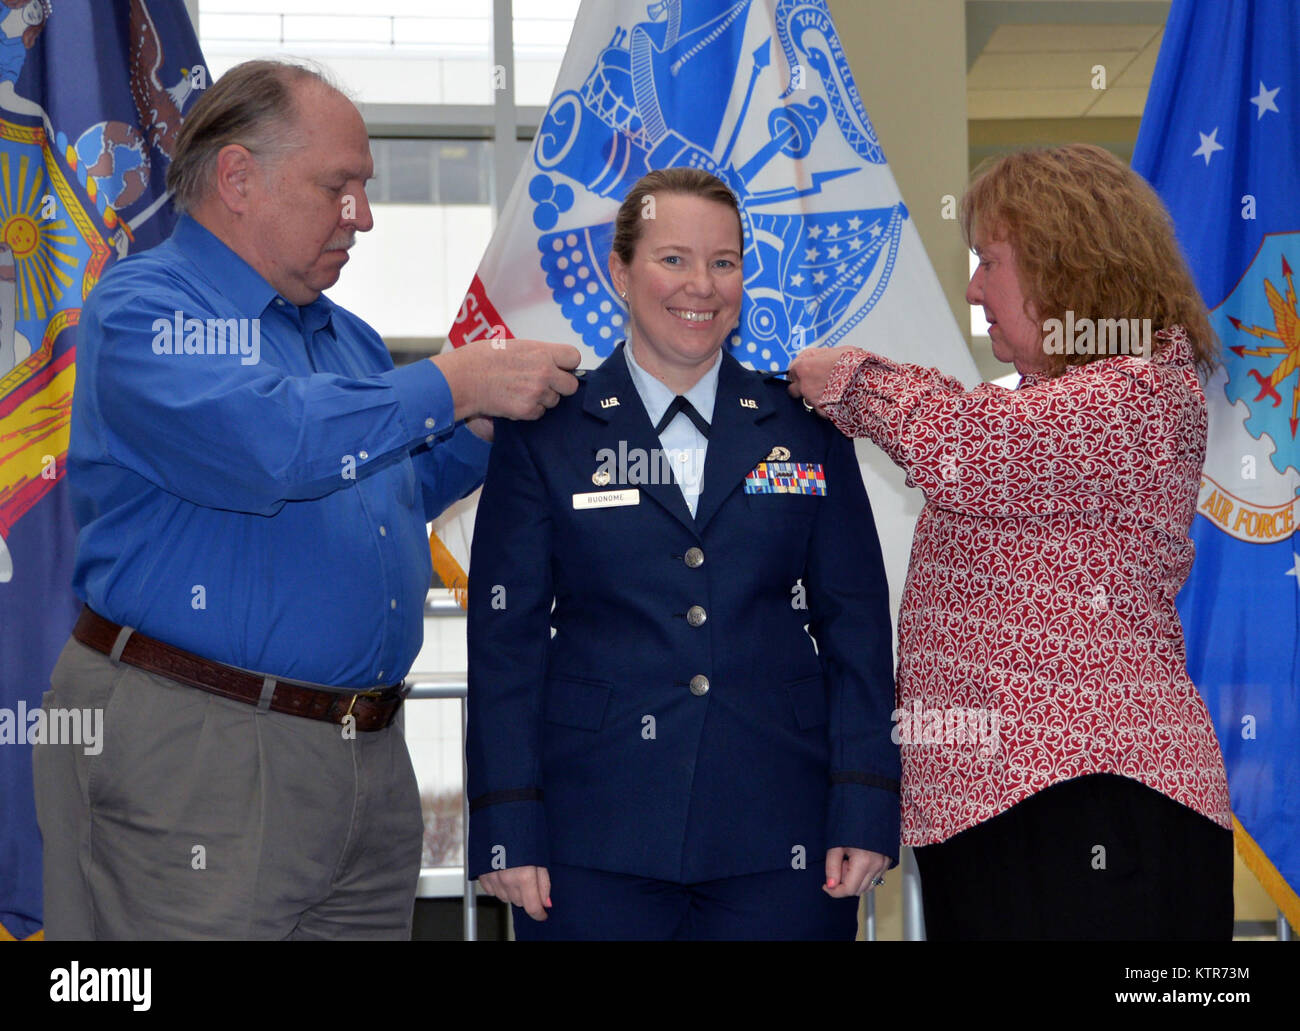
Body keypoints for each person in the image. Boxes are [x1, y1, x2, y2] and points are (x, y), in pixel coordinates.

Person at [34, 59, 580, 940]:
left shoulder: (349, 341)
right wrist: (456, 378)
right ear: (239, 176)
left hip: (361, 760)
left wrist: (486, 424)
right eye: (341, 186)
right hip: (198, 745)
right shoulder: (142, 308)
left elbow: (397, 489)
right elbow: (272, 446)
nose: (363, 214)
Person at [787, 143, 1233, 940]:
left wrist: (849, 379)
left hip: (1092, 803)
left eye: (989, 262)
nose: (974, 289)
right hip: (1011, 812)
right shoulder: (1063, 398)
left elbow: (969, 449)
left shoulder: (1139, 392)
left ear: (1064, 262)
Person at [464, 167, 900, 940]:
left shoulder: (805, 429)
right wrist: (507, 820)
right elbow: (507, 642)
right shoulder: (546, 430)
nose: (702, 284)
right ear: (619, 272)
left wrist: (864, 801)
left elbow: (857, 626)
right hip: (591, 835)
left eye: (724, 262)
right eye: (673, 259)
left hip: (781, 833)